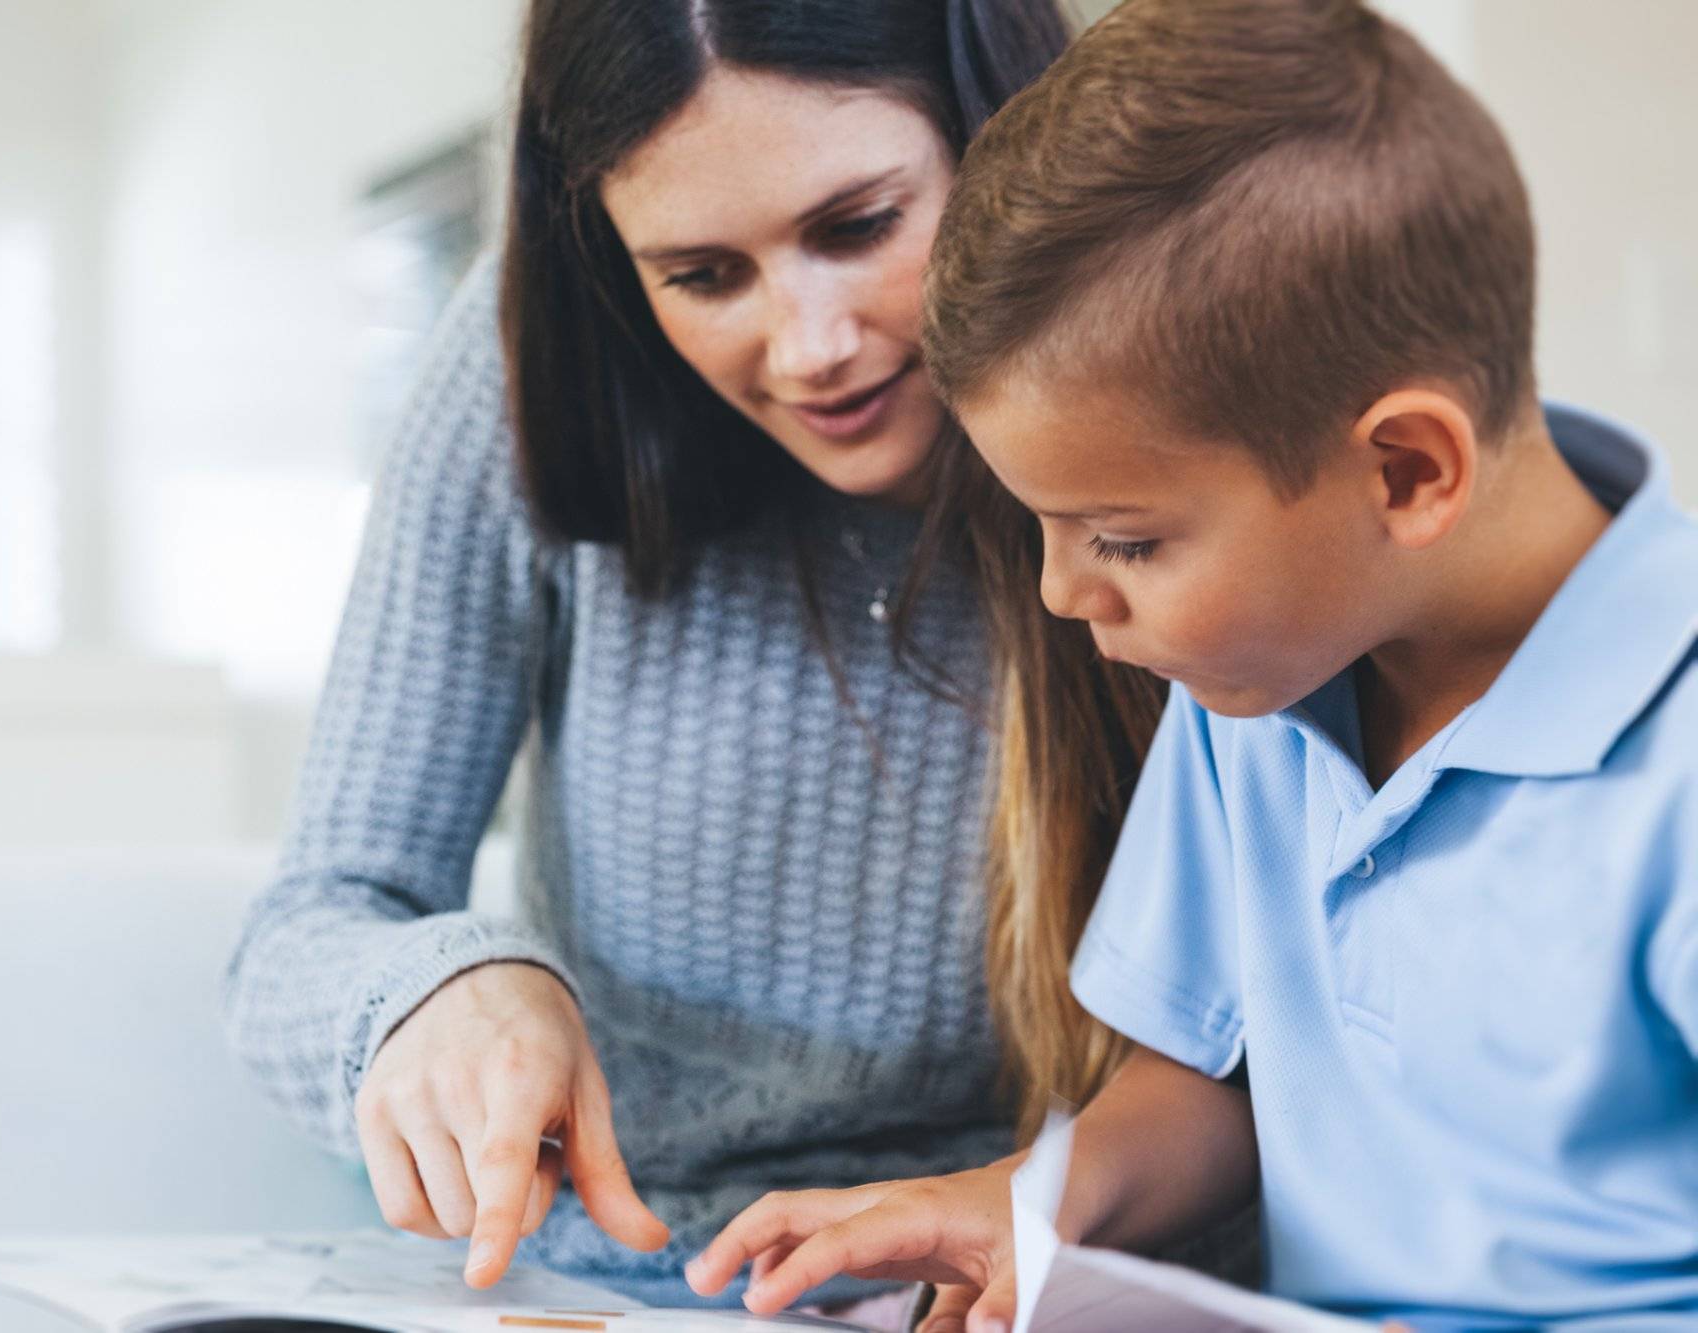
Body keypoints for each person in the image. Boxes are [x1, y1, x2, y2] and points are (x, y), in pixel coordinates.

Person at [684, 0, 1698, 1327]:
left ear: (1406, 471)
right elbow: (1209, 1080)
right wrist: (1030, 1205)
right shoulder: (1261, 685)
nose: (1060, 592)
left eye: (1123, 538)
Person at [222, 0, 1163, 1317]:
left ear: (994, 136)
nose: (809, 345)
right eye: (703, 275)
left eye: (858, 227)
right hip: (614, 1288)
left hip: (1010, 1283)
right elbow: (307, 926)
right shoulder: (513, 392)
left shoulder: (1179, 398)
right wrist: (435, 985)